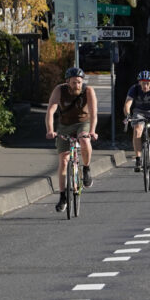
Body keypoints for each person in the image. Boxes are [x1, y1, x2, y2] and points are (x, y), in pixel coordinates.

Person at [46, 67, 99, 212]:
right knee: (63, 160)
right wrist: (50, 130)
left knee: (84, 140)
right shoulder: (59, 90)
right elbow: (51, 111)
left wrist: (93, 131)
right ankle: (63, 196)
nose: (77, 85)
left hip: (83, 123)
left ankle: (86, 169)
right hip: (65, 125)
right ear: (67, 82)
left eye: (79, 82)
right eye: (74, 82)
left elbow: (94, 113)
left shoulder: (88, 91)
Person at [124, 70, 150, 175]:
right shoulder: (134, 89)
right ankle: (138, 160)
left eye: (147, 83)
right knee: (137, 130)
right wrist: (128, 115)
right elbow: (127, 104)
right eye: (143, 83)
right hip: (139, 112)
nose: (145, 86)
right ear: (139, 83)